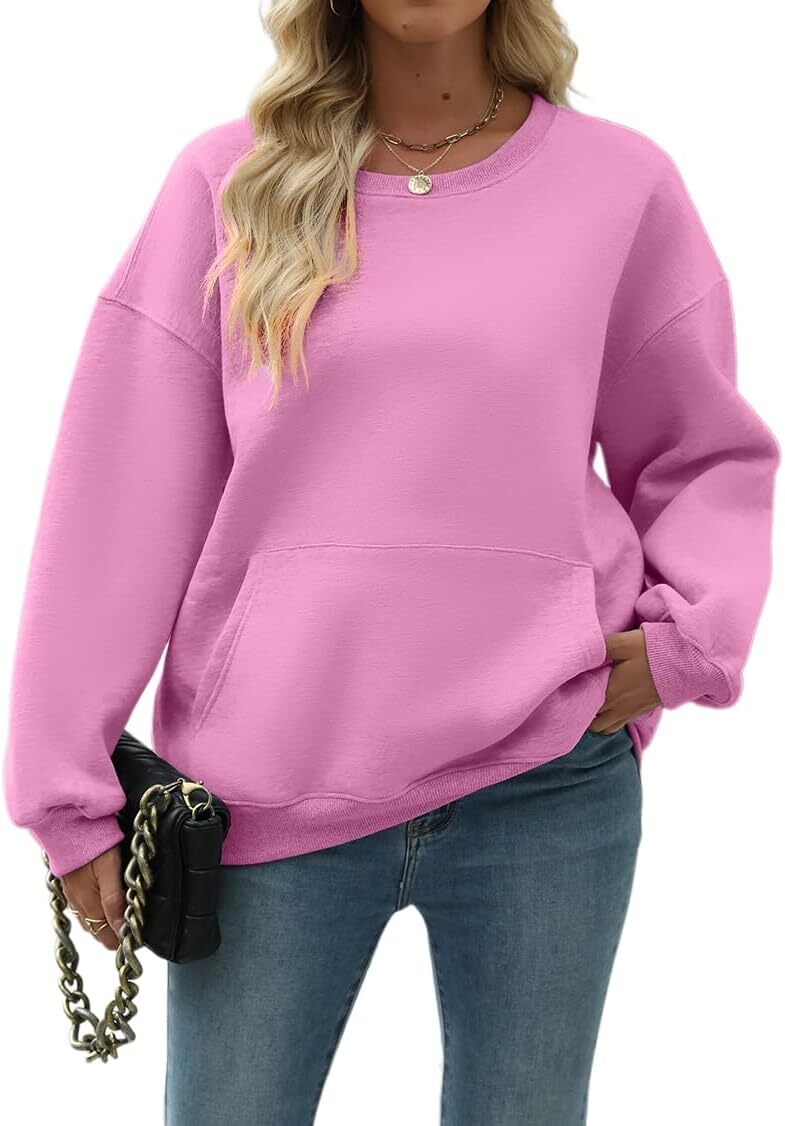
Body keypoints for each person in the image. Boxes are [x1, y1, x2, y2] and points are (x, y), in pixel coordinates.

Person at [3, 1, 780, 1122]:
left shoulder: (619, 188)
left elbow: (699, 448)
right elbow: (118, 495)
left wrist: (684, 641)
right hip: (268, 786)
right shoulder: (228, 183)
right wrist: (64, 789)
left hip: (545, 779)